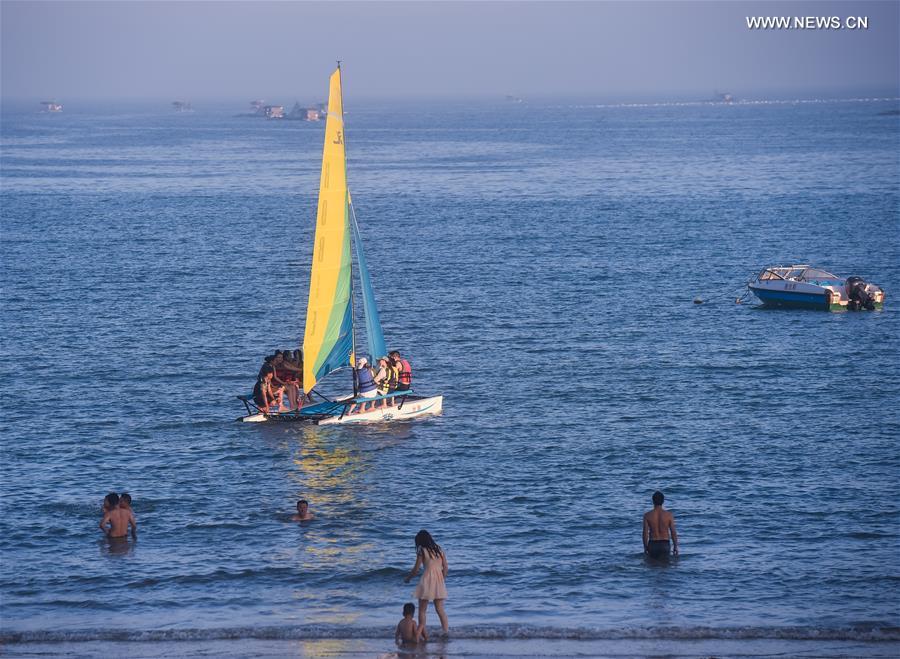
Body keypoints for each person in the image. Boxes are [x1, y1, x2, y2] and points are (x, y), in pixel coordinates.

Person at [404, 529, 448, 640]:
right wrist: (442, 579)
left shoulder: (421, 550)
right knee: (440, 609)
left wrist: (408, 578)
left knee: (422, 610)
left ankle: (421, 635)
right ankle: (445, 632)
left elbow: (416, 569)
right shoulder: (439, 549)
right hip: (439, 581)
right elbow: (446, 568)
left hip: (427, 580)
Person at [643, 490, 678, 559]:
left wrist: (645, 547)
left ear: (653, 501)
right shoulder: (669, 515)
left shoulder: (647, 515)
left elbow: (645, 533)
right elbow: (673, 532)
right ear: (663, 501)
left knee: (652, 567)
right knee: (665, 566)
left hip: (653, 544)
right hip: (665, 544)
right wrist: (675, 546)